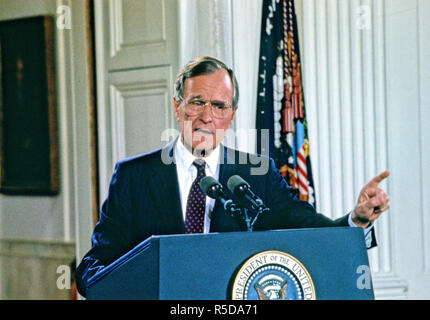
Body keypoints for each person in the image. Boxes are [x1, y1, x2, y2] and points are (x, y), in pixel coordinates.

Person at [75, 56, 390, 297]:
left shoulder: (257, 175)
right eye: (197, 102)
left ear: (232, 115)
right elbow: (94, 267)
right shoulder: (135, 176)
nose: (207, 117)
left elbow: (308, 230)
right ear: (177, 106)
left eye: (219, 106)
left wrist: (356, 221)